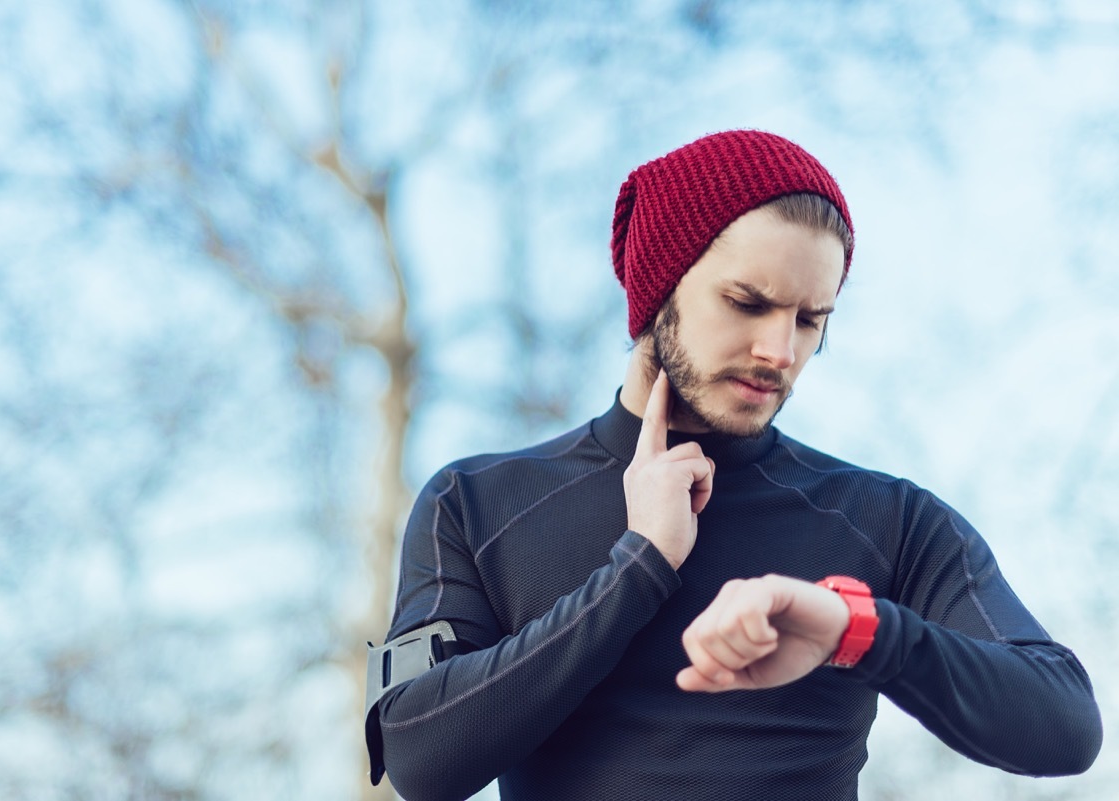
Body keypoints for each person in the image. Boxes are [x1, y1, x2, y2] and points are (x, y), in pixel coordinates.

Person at [363, 130, 1103, 801]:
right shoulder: (478, 502)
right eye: (747, 302)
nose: (781, 352)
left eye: (810, 320)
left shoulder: (887, 520)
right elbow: (419, 756)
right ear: (660, 292)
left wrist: (858, 628)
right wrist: (638, 566)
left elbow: (1065, 721)